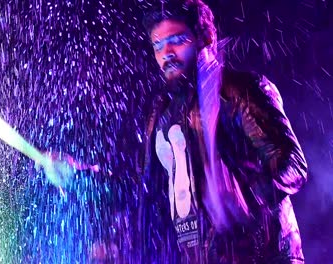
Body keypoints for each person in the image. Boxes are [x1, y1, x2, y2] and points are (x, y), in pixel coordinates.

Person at [46, 0, 308, 263]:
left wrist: (247, 195)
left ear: (203, 38)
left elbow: (293, 167)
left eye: (177, 40)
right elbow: (141, 191)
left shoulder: (239, 90)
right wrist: (79, 177)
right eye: (158, 45)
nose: (166, 53)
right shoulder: (160, 114)